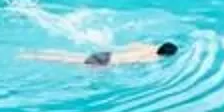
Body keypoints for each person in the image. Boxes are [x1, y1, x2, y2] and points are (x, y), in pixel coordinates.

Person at [27, 41, 180, 68]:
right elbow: (134, 64)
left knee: (69, 55)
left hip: (107, 54)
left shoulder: (148, 47)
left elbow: (131, 45)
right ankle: (34, 57)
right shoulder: (152, 59)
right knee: (66, 61)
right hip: (106, 63)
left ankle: (34, 53)